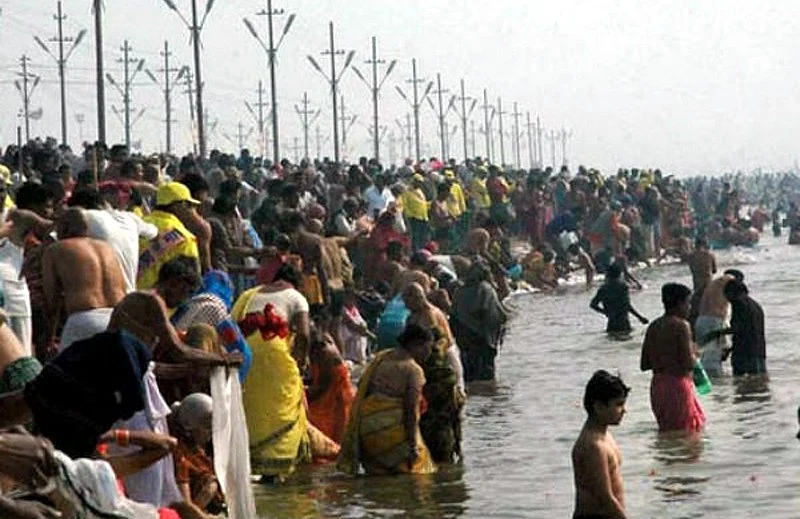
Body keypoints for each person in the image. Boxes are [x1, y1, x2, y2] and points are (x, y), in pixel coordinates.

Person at [231, 263, 313, 479]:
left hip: (243, 353)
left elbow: (231, 326)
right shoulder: (296, 297)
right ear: (295, 283)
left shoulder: (248, 294)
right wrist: (300, 362)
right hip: (274, 353)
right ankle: (276, 467)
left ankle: (250, 461)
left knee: (253, 405)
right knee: (284, 408)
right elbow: (304, 334)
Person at [337, 323, 437, 475]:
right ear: (416, 345)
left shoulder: (381, 358)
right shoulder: (413, 370)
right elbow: (411, 410)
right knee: (418, 474)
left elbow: (365, 392)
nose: (429, 352)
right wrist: (413, 445)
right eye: (428, 347)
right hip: (390, 435)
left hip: (366, 431)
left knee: (377, 477)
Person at [41, 208, 127, 350]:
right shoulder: (108, 248)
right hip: (118, 319)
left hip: (84, 319)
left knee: (66, 371)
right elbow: (123, 288)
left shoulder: (55, 249)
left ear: (63, 229)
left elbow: (51, 300)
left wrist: (50, 338)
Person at [640, 283, 706, 434]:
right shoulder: (682, 325)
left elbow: (644, 364)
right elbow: (688, 363)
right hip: (678, 386)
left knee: (668, 432)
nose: (690, 307)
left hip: (657, 386)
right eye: (688, 303)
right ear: (679, 303)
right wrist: (696, 354)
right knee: (688, 435)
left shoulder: (654, 326)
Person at [572, 370, 630, 519]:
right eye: (618, 404)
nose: (624, 410)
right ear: (598, 407)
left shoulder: (605, 436)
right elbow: (604, 498)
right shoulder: (593, 446)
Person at [138, 182, 201, 290]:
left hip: (129, 299)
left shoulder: (138, 224)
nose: (191, 211)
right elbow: (193, 280)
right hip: (163, 304)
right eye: (189, 206)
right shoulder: (185, 238)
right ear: (179, 206)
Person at [451, 261, 507, 382]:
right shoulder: (486, 289)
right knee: (486, 375)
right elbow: (496, 316)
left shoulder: (459, 291)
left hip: (464, 338)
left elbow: (453, 315)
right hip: (482, 338)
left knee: (469, 373)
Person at [171, 393, 225, 515]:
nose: (211, 431)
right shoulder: (181, 456)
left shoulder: (201, 450)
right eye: (206, 426)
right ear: (189, 426)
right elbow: (185, 506)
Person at [704, 279, 766, 377]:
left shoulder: (739, 304)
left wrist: (716, 334)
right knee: (757, 382)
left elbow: (737, 328)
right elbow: (747, 331)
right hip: (758, 352)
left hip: (743, 354)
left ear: (732, 292)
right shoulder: (755, 305)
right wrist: (730, 349)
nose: (726, 298)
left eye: (726, 294)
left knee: (741, 383)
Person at [306, 330, 355, 445]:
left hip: (336, 401)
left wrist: (302, 392)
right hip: (338, 396)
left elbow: (321, 388)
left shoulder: (324, 353)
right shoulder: (326, 343)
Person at [694, 271, 737, 377]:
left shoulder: (713, 284)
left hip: (702, 319)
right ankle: (716, 386)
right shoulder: (729, 279)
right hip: (715, 320)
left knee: (706, 355)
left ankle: (708, 384)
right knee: (712, 359)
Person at [590, 263, 648, 336]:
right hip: (623, 323)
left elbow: (593, 305)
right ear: (620, 274)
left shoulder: (603, 289)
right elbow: (627, 305)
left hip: (611, 324)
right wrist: (640, 317)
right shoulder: (623, 287)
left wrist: (606, 312)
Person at [686, 237, 717, 325]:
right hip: (708, 284)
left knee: (697, 307)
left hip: (697, 284)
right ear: (705, 244)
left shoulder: (691, 256)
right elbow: (714, 270)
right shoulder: (710, 255)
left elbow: (692, 270)